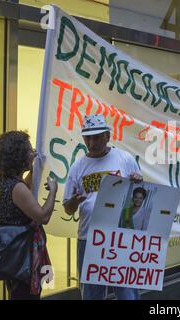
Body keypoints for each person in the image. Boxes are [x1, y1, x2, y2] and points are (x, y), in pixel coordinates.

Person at [63, 114, 143, 300]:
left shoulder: (125, 159)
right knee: (91, 294)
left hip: (121, 237)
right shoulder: (77, 167)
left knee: (127, 292)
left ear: (107, 136)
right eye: (87, 138)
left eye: (97, 137)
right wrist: (74, 201)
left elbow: (140, 197)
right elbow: (68, 208)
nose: (92, 143)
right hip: (89, 238)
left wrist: (138, 181)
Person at [0, 131, 58, 299]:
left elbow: (24, 190)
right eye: (29, 150)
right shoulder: (17, 188)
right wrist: (53, 192)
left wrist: (34, 167)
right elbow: (43, 217)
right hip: (24, 257)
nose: (33, 152)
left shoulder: (3, 181)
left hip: (12, 256)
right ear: (18, 155)